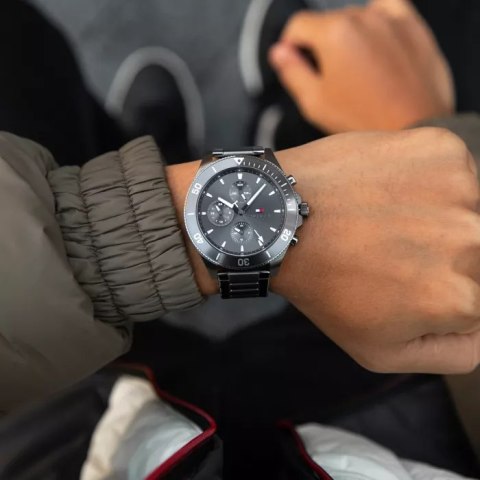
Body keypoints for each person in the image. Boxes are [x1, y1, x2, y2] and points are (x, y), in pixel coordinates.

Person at [0, 0, 479, 478]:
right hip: (391, 406)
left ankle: (148, 161)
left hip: (83, 414)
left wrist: (132, 219)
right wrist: (434, 133)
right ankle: (193, 163)